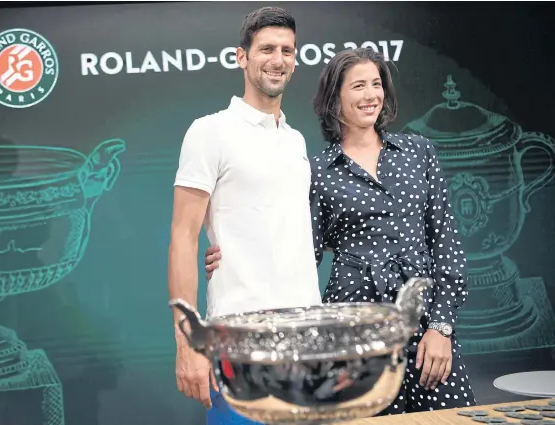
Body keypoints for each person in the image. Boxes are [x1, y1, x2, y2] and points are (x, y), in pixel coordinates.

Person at [204, 47, 477, 414]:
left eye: (377, 84)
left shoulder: (418, 151)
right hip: (354, 336)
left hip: (426, 325)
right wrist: (235, 257)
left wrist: (441, 327)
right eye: (358, 86)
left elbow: (446, 242)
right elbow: (296, 252)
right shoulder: (316, 173)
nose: (371, 96)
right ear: (335, 98)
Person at [167, 6, 321, 425]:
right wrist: (187, 345)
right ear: (241, 57)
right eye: (267, 48)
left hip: (306, 342)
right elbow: (183, 237)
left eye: (287, 50)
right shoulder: (209, 132)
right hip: (237, 342)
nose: (278, 60)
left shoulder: (295, 140)